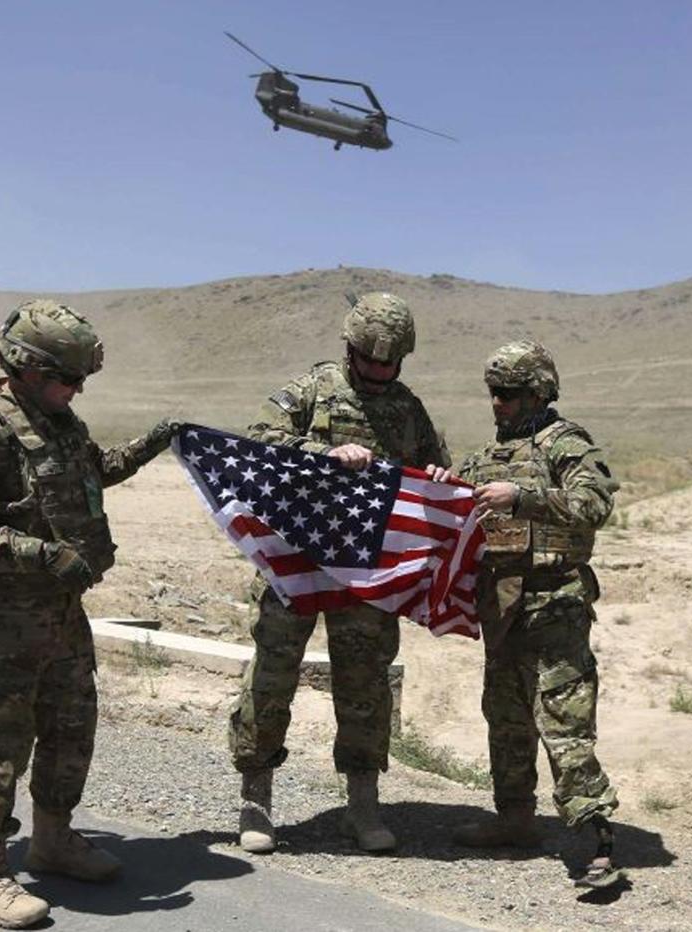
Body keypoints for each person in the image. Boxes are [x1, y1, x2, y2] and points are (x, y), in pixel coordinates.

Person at [0, 299, 178, 927]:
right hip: (2, 624)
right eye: (68, 378)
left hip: (64, 618)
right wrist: (40, 554)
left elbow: (90, 473)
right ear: (28, 368)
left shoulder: (62, 421)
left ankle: (52, 839)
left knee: (71, 729)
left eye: (81, 380)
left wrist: (153, 444)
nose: (77, 388)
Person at [229, 292, 451, 854]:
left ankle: (362, 804)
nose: (380, 372)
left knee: (366, 685)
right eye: (371, 361)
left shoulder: (407, 408)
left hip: (365, 573)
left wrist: (439, 475)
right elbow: (260, 447)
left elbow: (430, 468)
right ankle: (256, 800)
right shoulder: (309, 392)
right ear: (349, 349)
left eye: (390, 363)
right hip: (298, 565)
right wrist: (320, 453)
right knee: (271, 677)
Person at [428, 340, 623, 889]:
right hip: (503, 607)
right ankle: (514, 819)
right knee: (506, 717)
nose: (498, 404)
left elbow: (594, 504)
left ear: (539, 392)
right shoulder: (490, 455)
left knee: (564, 724)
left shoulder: (566, 444)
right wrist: (449, 488)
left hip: (554, 605)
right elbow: (463, 502)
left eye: (509, 394)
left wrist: (524, 495)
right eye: (493, 393)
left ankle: (595, 841)